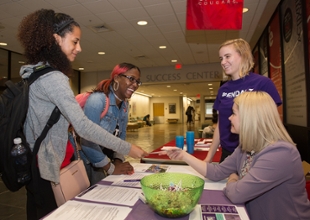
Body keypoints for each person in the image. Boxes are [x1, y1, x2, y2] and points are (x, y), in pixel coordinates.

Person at [17, 9, 148, 219]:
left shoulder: (35, 72)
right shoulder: (53, 78)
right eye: (75, 41)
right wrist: (129, 148)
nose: (79, 48)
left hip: (36, 161)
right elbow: (83, 126)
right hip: (46, 164)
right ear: (56, 39)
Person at [165, 91, 310, 220]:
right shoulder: (245, 147)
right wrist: (183, 156)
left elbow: (237, 194)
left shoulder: (280, 153)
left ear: (250, 117)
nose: (229, 118)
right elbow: (217, 172)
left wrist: (233, 179)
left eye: (234, 113)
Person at [204, 38, 282, 163]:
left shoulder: (262, 83)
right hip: (228, 153)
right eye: (221, 58)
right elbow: (220, 125)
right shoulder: (223, 89)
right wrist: (209, 157)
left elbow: (272, 122)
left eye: (227, 56)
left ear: (243, 55)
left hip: (256, 153)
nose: (223, 62)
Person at [80, 63, 141, 185]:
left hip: (106, 158)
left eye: (138, 81)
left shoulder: (124, 105)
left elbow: (121, 135)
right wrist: (111, 168)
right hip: (86, 160)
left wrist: (118, 160)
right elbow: (87, 140)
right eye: (131, 79)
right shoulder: (97, 100)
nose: (135, 85)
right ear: (117, 78)